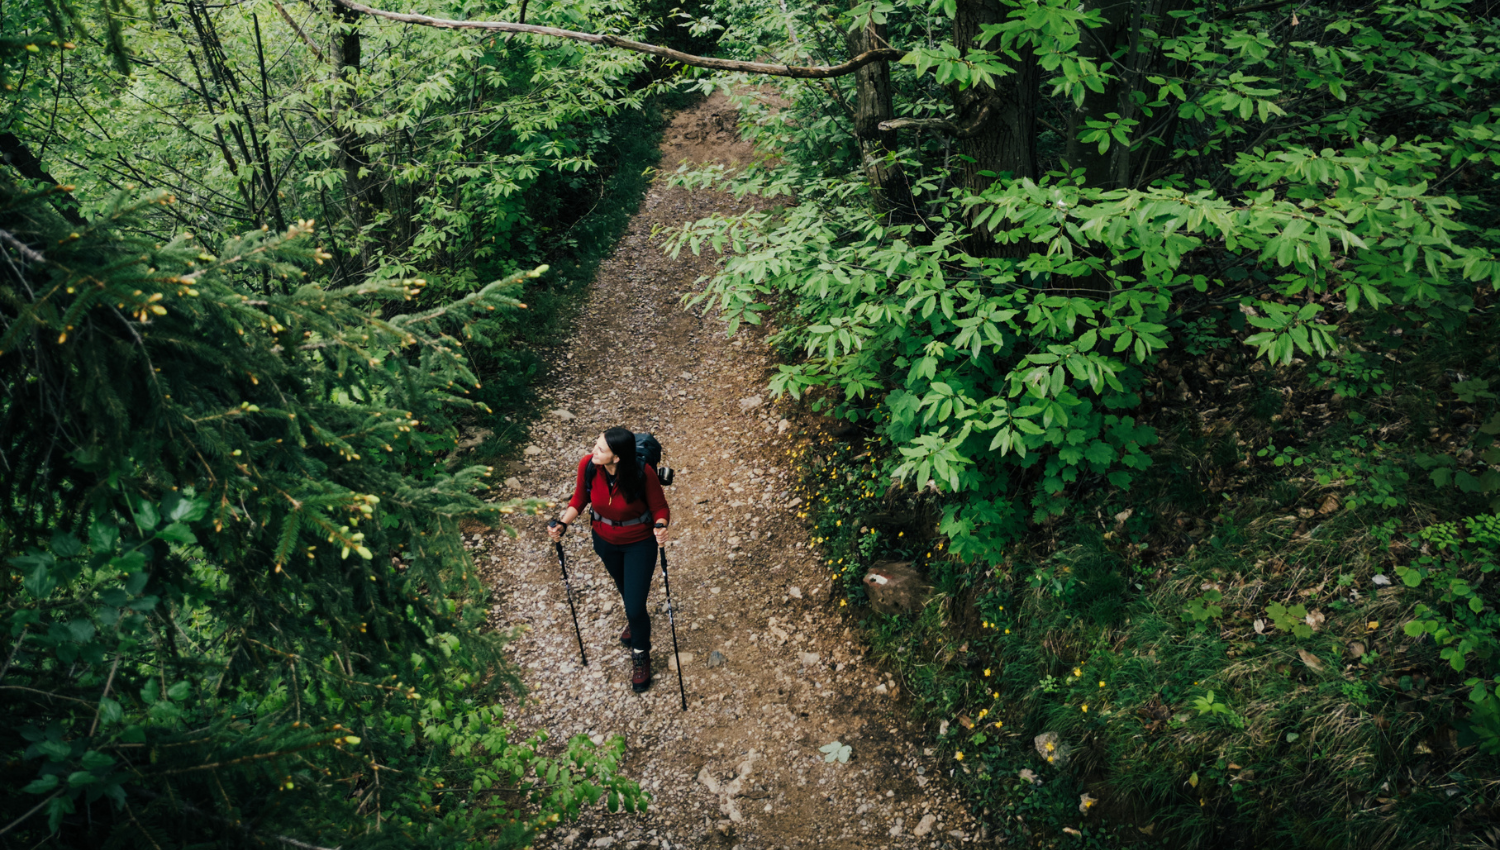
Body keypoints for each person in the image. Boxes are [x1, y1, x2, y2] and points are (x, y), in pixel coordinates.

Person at [547, 427, 670, 692]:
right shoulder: (589, 466)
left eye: (601, 449)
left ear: (617, 458)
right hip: (605, 542)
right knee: (626, 591)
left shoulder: (642, 473)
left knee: (636, 605)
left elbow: (660, 507)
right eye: (596, 444)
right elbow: (579, 499)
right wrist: (563, 524)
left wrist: (660, 525)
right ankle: (635, 623)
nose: (594, 451)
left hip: (639, 544)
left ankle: (640, 653)